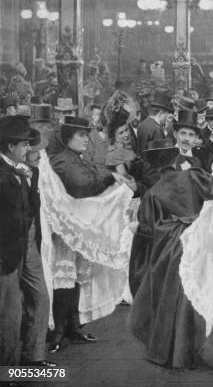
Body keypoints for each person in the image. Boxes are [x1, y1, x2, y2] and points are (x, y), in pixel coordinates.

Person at [127, 139, 213, 371]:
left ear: (155, 168)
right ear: (174, 160)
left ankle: (178, 351)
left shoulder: (153, 192)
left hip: (171, 248)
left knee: (179, 298)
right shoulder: (192, 176)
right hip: (201, 240)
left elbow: (147, 229)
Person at [46, 116, 131, 353]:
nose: (86, 139)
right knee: (63, 279)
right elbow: (80, 184)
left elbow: (94, 174)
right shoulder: (61, 161)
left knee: (74, 279)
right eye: (81, 135)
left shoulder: (77, 158)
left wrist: (108, 176)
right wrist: (109, 176)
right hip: (66, 230)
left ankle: (73, 326)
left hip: (79, 228)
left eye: (87, 134)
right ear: (67, 138)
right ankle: (58, 331)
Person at [0, 117, 56, 368]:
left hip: (28, 243)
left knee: (41, 297)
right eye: (25, 145)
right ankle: (7, 370)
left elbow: (31, 208)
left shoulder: (23, 170)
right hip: (6, 251)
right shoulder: (3, 174)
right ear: (11, 147)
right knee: (10, 312)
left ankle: (34, 357)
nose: (29, 150)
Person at [136, 91, 172, 155]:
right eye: (167, 113)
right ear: (161, 113)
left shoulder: (141, 124)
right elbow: (160, 154)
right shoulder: (157, 129)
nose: (167, 117)